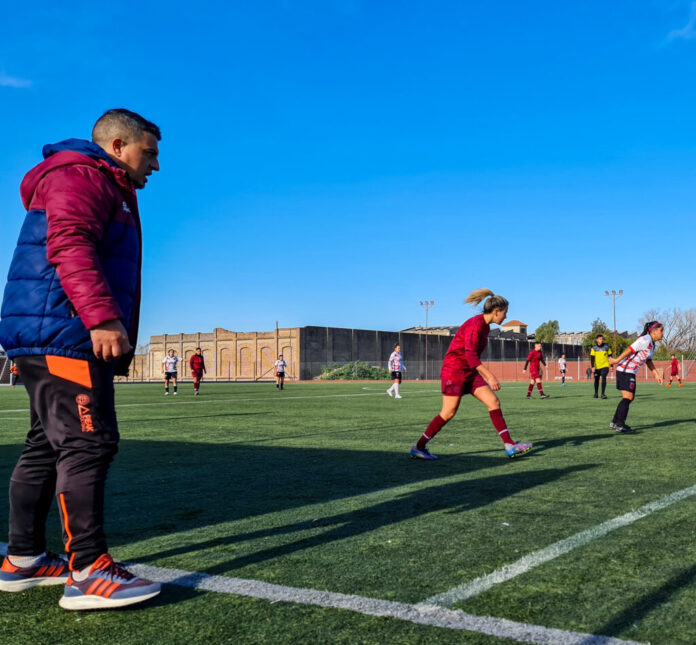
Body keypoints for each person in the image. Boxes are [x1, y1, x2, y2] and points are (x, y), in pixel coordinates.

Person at [0, 109, 161, 609]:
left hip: (49, 331)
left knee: (47, 446)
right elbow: (69, 244)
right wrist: (101, 319)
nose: (154, 164)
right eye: (148, 152)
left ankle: (23, 560)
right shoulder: (81, 175)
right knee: (88, 444)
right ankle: (89, 571)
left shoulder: (95, 181)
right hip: (65, 333)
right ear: (117, 145)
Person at [410, 289, 533, 461]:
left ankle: (509, 445)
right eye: (505, 313)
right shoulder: (476, 325)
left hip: (469, 371)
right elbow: (470, 355)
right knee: (448, 413)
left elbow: (471, 358)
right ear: (496, 311)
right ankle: (419, 446)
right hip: (454, 371)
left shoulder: (485, 327)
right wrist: (490, 376)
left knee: (493, 402)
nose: (505, 317)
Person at [608, 321, 664, 434]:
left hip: (629, 371)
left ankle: (615, 422)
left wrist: (656, 374)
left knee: (629, 398)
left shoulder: (652, 344)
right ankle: (619, 424)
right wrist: (616, 360)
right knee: (628, 397)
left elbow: (648, 361)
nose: (663, 333)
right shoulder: (645, 340)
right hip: (625, 370)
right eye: (661, 330)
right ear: (654, 331)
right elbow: (630, 349)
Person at [590, 334, 612, 399]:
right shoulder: (593, 348)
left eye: (602, 339)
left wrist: (611, 365)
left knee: (604, 378)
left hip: (605, 366)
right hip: (596, 367)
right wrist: (592, 367)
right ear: (597, 340)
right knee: (596, 380)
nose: (601, 340)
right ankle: (596, 393)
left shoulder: (607, 347)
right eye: (600, 339)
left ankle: (603, 394)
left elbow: (610, 356)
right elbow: (592, 358)